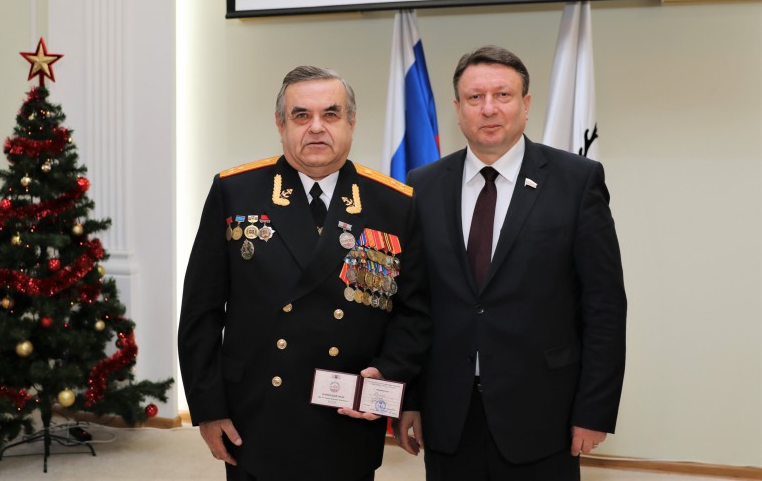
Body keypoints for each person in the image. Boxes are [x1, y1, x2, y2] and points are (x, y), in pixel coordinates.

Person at [178, 65, 431, 481]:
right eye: (301, 115)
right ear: (280, 124)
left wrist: (390, 373)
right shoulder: (235, 191)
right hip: (256, 412)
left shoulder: (394, 204)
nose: (316, 127)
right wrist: (208, 408)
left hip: (347, 414)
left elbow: (414, 312)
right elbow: (200, 312)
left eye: (331, 114)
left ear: (351, 122)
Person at [394, 45, 627, 480]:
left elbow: (604, 306)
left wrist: (594, 408)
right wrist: (410, 398)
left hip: (545, 414)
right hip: (449, 414)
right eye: (475, 97)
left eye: (503, 95)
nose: (489, 109)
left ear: (526, 104)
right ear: (457, 109)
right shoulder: (422, 185)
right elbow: (413, 304)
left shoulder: (576, 181)